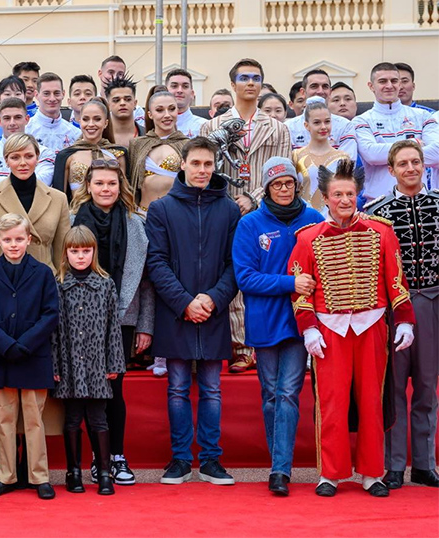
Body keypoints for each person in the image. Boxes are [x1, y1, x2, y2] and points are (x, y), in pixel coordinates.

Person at [288, 158, 415, 497]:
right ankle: (330, 473)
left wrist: (404, 321)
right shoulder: (307, 237)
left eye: (350, 194)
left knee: (373, 400)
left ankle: (373, 473)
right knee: (331, 402)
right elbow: (301, 288)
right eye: (338, 194)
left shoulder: (381, 231)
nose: (345, 200)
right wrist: (309, 328)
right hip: (329, 330)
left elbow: (396, 281)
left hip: (371, 326)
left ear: (358, 195)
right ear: (326, 198)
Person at [145, 137, 240, 487]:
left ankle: (212, 460)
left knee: (213, 389)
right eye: (196, 163)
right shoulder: (161, 209)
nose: (202, 170)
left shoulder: (229, 209)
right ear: (182, 165)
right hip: (176, 313)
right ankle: (181, 459)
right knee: (177, 388)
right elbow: (155, 263)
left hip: (213, 313)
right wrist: (185, 302)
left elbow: (235, 265)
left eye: (208, 164)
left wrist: (213, 299)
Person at [0, 133, 69, 468]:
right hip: (0, 304)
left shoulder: (57, 198)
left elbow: (63, 255)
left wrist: (60, 306)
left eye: (28, 156)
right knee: (5, 392)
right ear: (5, 160)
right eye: (14, 157)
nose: (22, 163)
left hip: (42, 300)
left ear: (38, 157)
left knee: (36, 392)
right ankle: (9, 467)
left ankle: (36, 467)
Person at [232, 157, 323, 496]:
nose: (283, 189)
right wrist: (290, 283)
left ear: (296, 185)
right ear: (267, 188)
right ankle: (278, 461)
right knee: (270, 395)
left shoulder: (313, 219)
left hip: (301, 322)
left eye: (288, 183)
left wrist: (302, 290)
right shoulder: (250, 224)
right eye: (276, 184)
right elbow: (246, 278)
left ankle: (280, 470)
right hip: (264, 320)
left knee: (287, 393)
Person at [201, 58, 291, 374]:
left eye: (256, 77)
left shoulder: (278, 127)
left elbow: (282, 172)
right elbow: (205, 170)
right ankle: (240, 345)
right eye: (244, 77)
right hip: (223, 210)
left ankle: (263, 341)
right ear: (233, 83)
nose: (250, 83)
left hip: (263, 210)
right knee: (231, 275)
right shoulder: (212, 126)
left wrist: (252, 198)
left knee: (262, 274)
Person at [71, 151, 154, 486]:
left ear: (122, 186)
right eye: (99, 183)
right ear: (88, 186)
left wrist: (146, 326)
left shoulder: (137, 223)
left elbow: (147, 281)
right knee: (86, 391)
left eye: (112, 183)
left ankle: (116, 457)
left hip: (123, 317)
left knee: (113, 389)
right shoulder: (72, 219)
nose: (106, 188)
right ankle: (95, 458)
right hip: (79, 318)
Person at [366, 140, 439, 489]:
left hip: (434, 303)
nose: (411, 168)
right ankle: (393, 465)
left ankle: (425, 464)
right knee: (393, 385)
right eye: (403, 164)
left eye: (416, 162)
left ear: (424, 166)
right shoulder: (376, 214)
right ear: (391, 170)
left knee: (427, 386)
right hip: (394, 308)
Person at [0, 213, 59, 500]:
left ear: (29, 240)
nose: (14, 245)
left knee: (34, 418)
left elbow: (50, 314)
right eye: (8, 240)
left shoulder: (43, 273)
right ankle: (6, 476)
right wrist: (8, 345)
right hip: (2, 356)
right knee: (5, 418)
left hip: (33, 356)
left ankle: (39, 477)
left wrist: (24, 344)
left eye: (19, 239)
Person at [52, 225, 125, 495]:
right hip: (70, 365)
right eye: (75, 251)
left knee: (98, 418)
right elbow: (54, 331)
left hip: (97, 364)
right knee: (72, 418)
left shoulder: (105, 285)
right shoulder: (59, 285)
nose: (80, 256)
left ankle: (104, 473)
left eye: (86, 251)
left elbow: (113, 329)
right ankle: (73, 473)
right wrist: (56, 366)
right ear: (66, 253)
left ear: (93, 252)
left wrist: (114, 363)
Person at [352, 62, 438, 202]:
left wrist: (386, 153)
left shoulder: (423, 116)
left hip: (421, 201)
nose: (389, 86)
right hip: (378, 203)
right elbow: (371, 154)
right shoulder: (361, 121)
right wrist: (414, 144)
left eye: (394, 81)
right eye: (382, 81)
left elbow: (436, 153)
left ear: (400, 84)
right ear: (371, 86)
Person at [0, 98, 56, 195]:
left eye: (17, 117)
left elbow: (41, 184)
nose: (12, 123)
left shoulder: (44, 153)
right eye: (7, 118)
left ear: (27, 119)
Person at [52, 98, 126, 201]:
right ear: (79, 121)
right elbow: (59, 197)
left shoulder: (119, 153)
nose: (91, 124)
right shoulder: (67, 155)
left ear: (106, 123)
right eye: (86, 119)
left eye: (97, 119)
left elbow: (124, 193)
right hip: (78, 214)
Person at [128, 91, 189, 216]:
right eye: (160, 110)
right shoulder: (137, 144)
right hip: (142, 216)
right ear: (150, 114)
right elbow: (130, 183)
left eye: (171, 109)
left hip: (177, 216)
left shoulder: (187, 145)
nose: (167, 115)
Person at [292, 99, 350, 213]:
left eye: (327, 121)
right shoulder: (296, 156)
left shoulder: (343, 158)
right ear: (306, 125)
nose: (323, 127)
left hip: (334, 219)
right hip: (303, 218)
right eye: (317, 122)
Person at [284, 70, 356, 159]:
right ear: (303, 92)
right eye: (314, 86)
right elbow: (286, 164)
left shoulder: (345, 125)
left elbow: (348, 163)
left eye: (325, 87)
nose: (320, 91)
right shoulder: (288, 127)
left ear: (330, 92)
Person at [26, 72, 82, 154]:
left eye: (56, 93)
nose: (52, 98)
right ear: (37, 95)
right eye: (46, 94)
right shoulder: (26, 130)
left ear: (63, 94)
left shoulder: (75, 134)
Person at [97, 55, 145, 129]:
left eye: (120, 74)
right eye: (111, 72)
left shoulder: (137, 111)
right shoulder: (91, 106)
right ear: (100, 73)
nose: (115, 77)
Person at [167, 69, 207, 138]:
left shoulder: (204, 126)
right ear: (166, 91)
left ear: (192, 94)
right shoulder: (154, 126)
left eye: (185, 86)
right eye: (174, 86)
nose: (179, 90)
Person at [104, 75, 143, 146]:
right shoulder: (100, 136)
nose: (122, 103)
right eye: (116, 100)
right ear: (108, 105)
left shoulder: (147, 136)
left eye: (128, 99)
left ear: (135, 103)